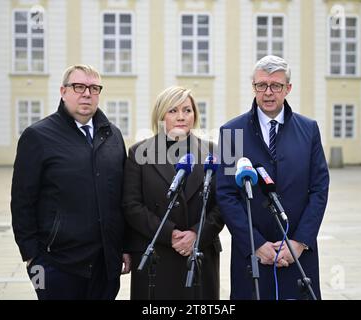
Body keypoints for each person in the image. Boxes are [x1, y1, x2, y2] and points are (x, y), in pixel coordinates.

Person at [11, 64, 131, 300]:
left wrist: (125, 247)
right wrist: (32, 258)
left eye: (94, 88)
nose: (87, 93)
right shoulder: (38, 136)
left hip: (105, 265)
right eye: (79, 86)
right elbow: (22, 202)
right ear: (63, 91)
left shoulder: (113, 136)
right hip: (56, 264)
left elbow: (122, 198)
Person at [216, 55, 329, 300]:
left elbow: (319, 188)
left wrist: (300, 242)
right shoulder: (231, 133)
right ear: (253, 87)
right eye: (261, 85)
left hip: (299, 256)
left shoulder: (309, 129)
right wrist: (256, 243)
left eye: (276, 86)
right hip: (253, 257)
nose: (268, 92)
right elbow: (225, 194)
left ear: (288, 88)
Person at [122, 86, 224, 299]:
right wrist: (170, 234)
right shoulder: (139, 152)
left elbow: (222, 203)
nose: (181, 117)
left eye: (187, 110)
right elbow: (132, 206)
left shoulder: (212, 151)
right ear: (161, 115)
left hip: (200, 252)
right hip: (157, 256)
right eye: (173, 111)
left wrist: (197, 234)